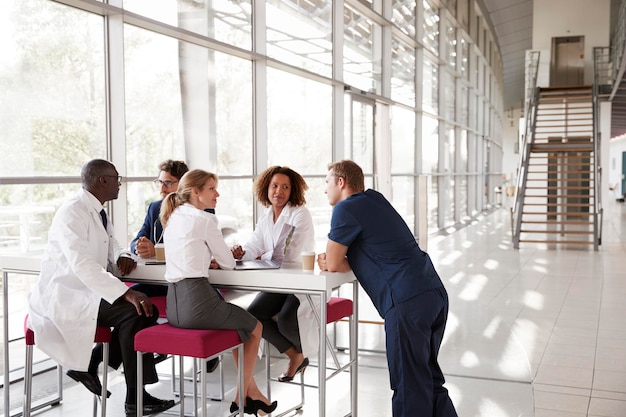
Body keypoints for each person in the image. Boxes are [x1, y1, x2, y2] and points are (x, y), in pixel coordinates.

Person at [27, 159, 175, 417]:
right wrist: (126, 291)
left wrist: (120, 255)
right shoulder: (73, 212)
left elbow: (112, 243)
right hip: (65, 295)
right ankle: (133, 397)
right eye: (117, 178)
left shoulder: (97, 210)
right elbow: (81, 264)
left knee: (144, 311)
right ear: (102, 181)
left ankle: (96, 366)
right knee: (137, 310)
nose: (120, 183)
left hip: (87, 291)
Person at [317, 160, 458, 417]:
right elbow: (373, 251)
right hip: (433, 292)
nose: (324, 190)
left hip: (407, 302)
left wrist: (331, 260)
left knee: (409, 386)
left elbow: (333, 261)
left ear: (341, 182)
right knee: (427, 379)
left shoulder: (345, 209)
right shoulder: (375, 199)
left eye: (327, 182)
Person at [160, 169, 277, 415]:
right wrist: (216, 258)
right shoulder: (205, 219)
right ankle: (239, 397)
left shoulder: (172, 216)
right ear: (196, 192)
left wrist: (206, 259)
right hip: (199, 303)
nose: (217, 194)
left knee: (237, 326)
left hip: (175, 308)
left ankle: (253, 394)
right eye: (212, 188)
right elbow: (228, 263)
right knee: (255, 327)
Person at [129, 159, 219, 371]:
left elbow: (198, 251)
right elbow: (136, 240)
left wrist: (159, 250)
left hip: (189, 283)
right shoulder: (154, 209)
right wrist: (139, 246)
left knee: (214, 301)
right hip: (158, 282)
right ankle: (146, 356)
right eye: (159, 182)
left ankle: (211, 349)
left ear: (184, 185)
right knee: (130, 300)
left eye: (168, 183)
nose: (161, 188)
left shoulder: (203, 209)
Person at [234, 166, 315, 382]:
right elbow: (254, 244)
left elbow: (288, 252)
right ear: (266, 188)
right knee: (253, 316)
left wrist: (262, 256)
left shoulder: (300, 213)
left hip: (300, 282)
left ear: (293, 190)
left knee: (288, 320)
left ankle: (306, 352)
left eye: (285, 187)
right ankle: (296, 356)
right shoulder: (266, 214)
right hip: (277, 280)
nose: (279, 191)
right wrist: (242, 254)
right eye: (274, 186)